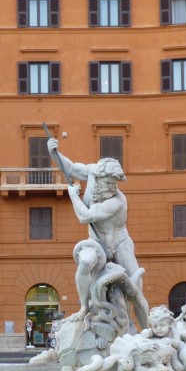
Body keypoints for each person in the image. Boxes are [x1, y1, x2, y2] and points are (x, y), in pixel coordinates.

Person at [47, 136, 148, 328]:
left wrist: (72, 195)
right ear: (98, 177)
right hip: (96, 242)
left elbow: (84, 217)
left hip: (120, 244)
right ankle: (84, 307)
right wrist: (55, 153)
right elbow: (70, 169)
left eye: (114, 183)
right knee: (85, 262)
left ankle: (147, 331)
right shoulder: (92, 172)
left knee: (136, 290)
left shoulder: (117, 201)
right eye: (109, 183)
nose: (112, 187)